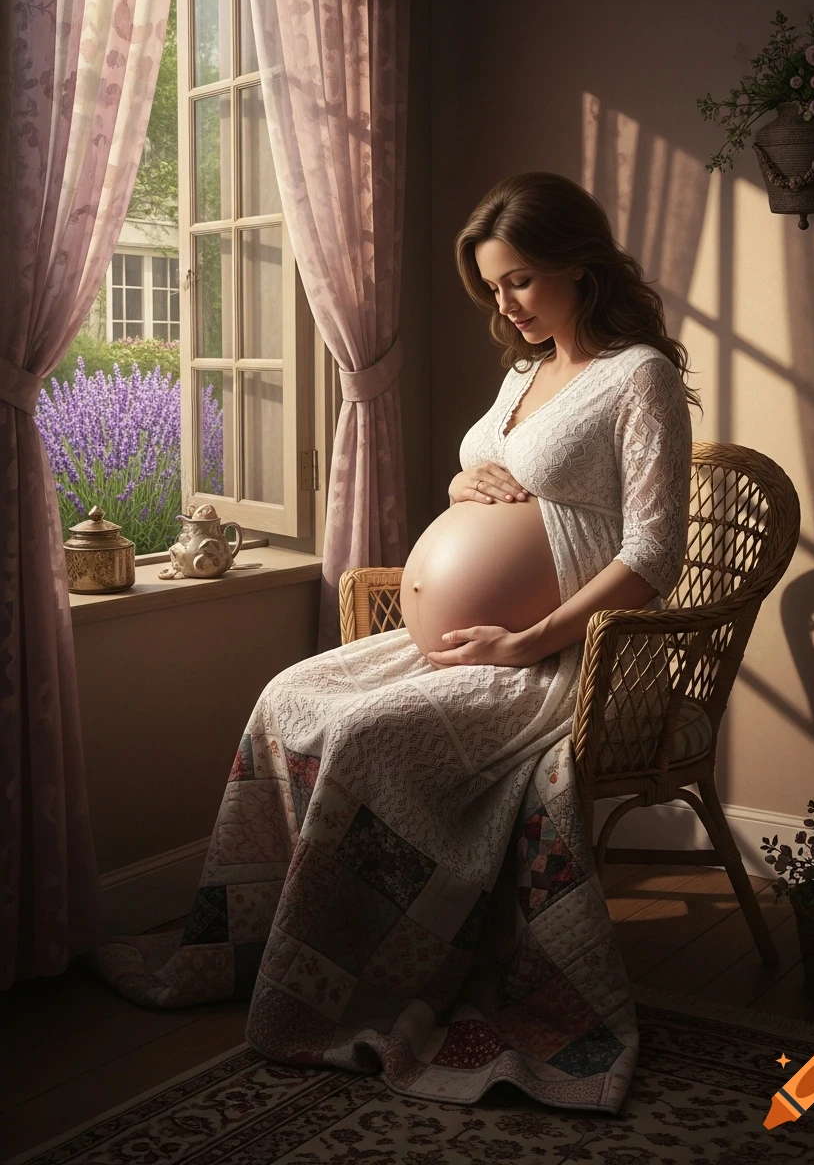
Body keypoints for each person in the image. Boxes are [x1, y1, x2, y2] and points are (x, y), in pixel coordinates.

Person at [88, 171, 696, 1114]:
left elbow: (655, 552)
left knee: (375, 737)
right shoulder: (523, 374)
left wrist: (526, 637)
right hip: (458, 637)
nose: (506, 305)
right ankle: (243, 946)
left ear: (583, 265)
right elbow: (493, 479)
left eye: (522, 281)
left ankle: (343, 986)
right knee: (287, 696)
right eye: (493, 287)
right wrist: (463, 491)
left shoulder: (639, 376)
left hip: (550, 655)